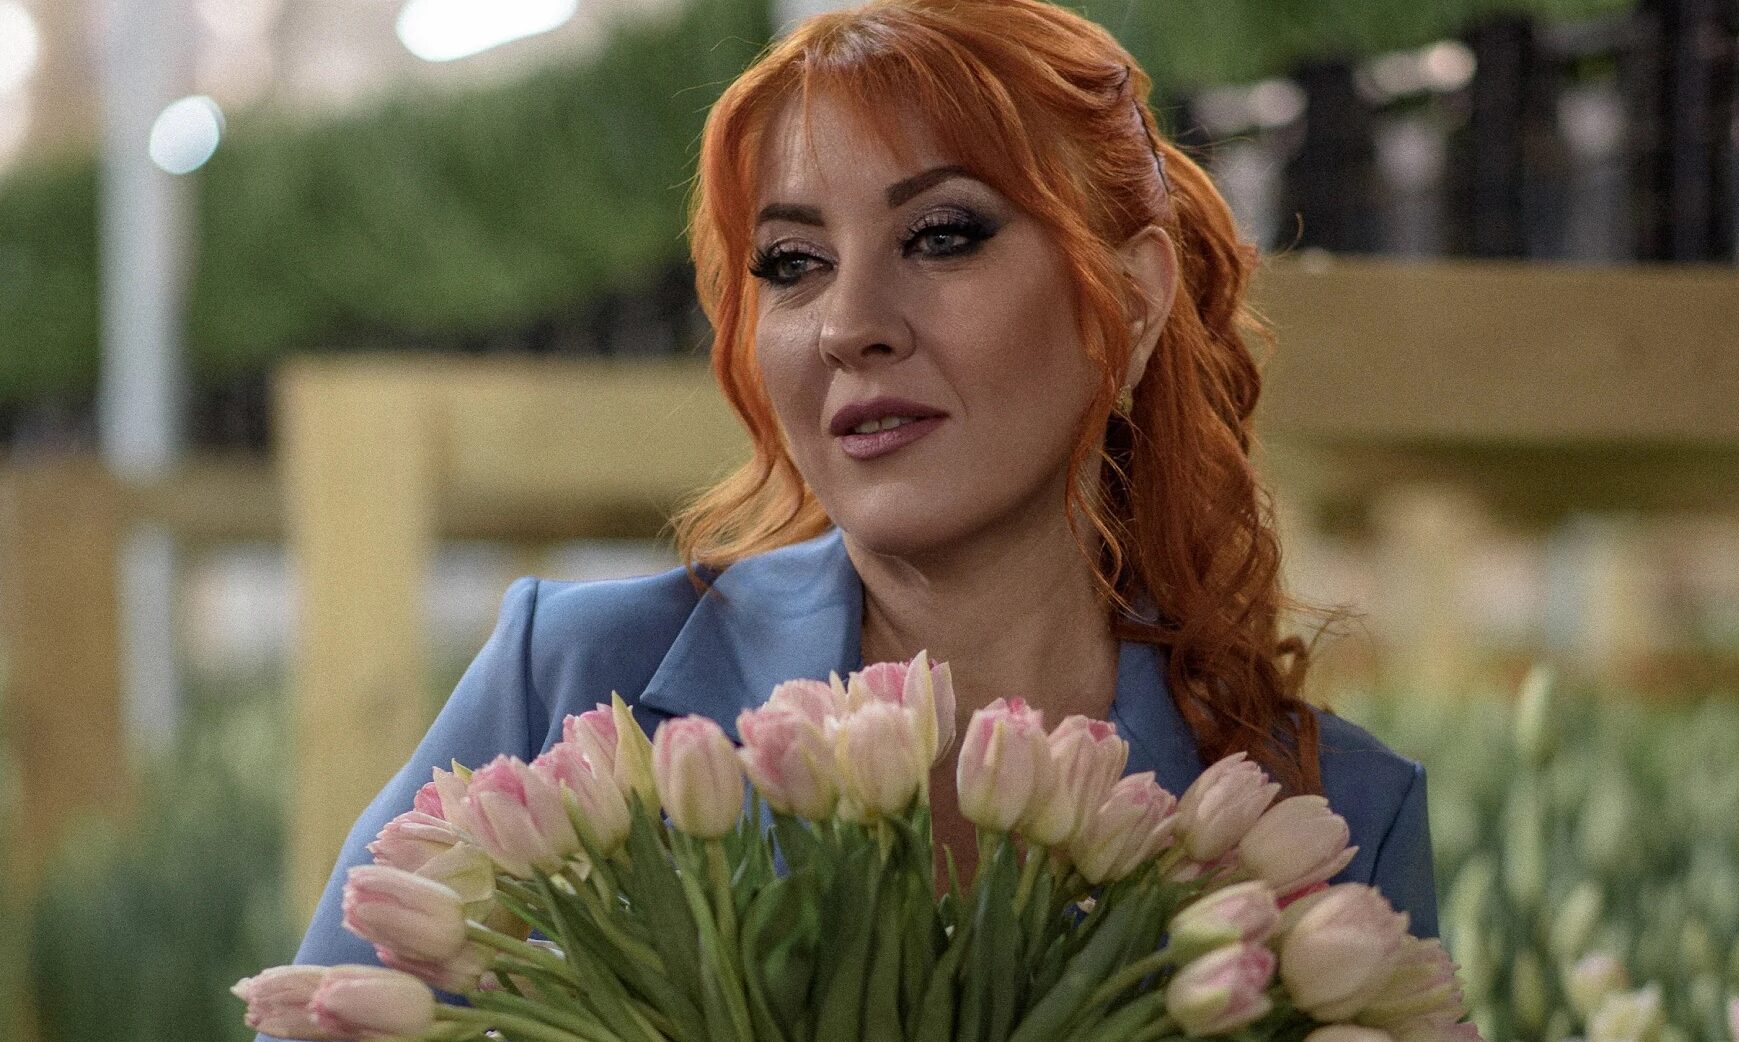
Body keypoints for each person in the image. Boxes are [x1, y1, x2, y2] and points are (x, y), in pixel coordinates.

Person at [268, 2, 1439, 1032]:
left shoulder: (1329, 817)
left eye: (941, 236)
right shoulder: (573, 680)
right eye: (793, 262)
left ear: (1128, 303)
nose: (849, 323)